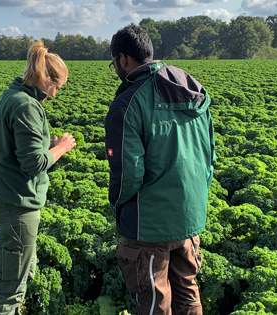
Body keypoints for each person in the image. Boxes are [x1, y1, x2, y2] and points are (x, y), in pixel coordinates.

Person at [105, 25, 215, 315]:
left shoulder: (128, 103)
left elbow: (128, 173)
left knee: (153, 299)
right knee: (187, 292)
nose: (115, 68)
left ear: (124, 59)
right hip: (190, 215)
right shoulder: (193, 92)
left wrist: (117, 206)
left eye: (113, 63)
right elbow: (209, 155)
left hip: (149, 223)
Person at [0, 40, 76, 314]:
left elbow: (19, 153)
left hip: (4, 194)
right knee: (8, 289)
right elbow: (34, 163)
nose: (56, 94)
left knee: (16, 274)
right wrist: (61, 148)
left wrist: (49, 149)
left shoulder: (10, 95)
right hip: (16, 202)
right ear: (45, 79)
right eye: (56, 87)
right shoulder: (27, 106)